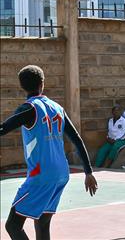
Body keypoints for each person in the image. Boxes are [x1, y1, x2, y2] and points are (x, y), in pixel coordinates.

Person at [0, 65, 98, 240]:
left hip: (41, 175)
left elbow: (3, 128)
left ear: (22, 86)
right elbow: (77, 139)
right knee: (42, 224)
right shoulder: (57, 108)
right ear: (42, 83)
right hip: (61, 173)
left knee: (13, 225)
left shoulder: (28, 108)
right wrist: (88, 172)